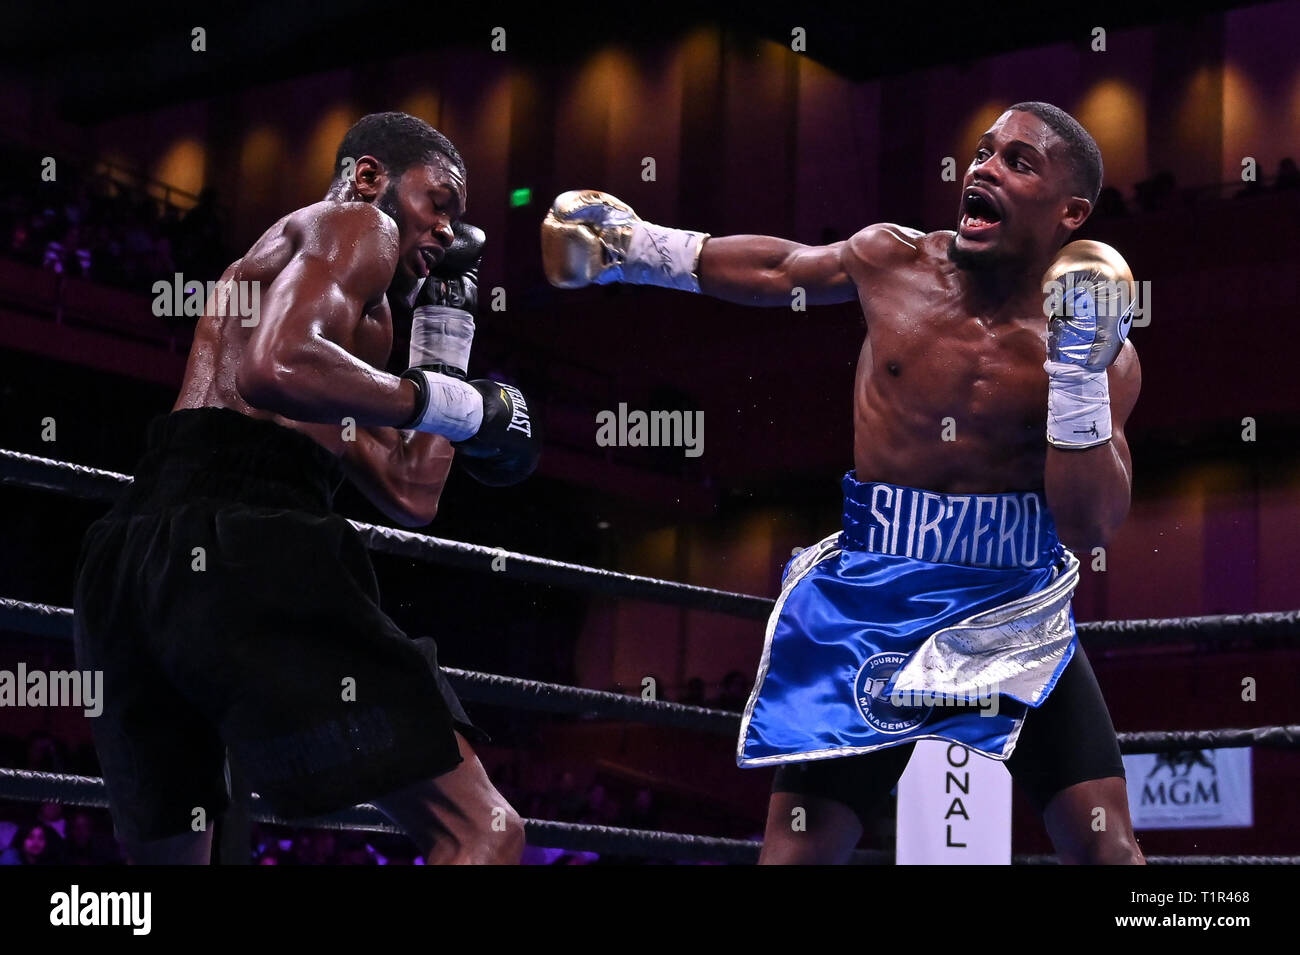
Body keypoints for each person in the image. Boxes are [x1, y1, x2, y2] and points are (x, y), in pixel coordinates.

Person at [543, 101, 1143, 864]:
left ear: (1071, 213)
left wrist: (1077, 377)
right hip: (872, 603)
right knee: (797, 855)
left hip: (1010, 607)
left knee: (1108, 849)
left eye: (1018, 161)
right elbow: (779, 268)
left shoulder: (1102, 352)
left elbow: (1090, 526)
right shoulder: (894, 261)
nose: (984, 167)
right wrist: (634, 246)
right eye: (985, 151)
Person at [74, 112, 540, 865]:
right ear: (369, 176)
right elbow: (275, 365)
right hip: (245, 544)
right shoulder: (355, 226)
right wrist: (453, 407)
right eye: (439, 203)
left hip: (133, 564)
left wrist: (447, 332)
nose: (448, 233)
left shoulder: (354, 319)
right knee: (484, 830)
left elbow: (410, 490)